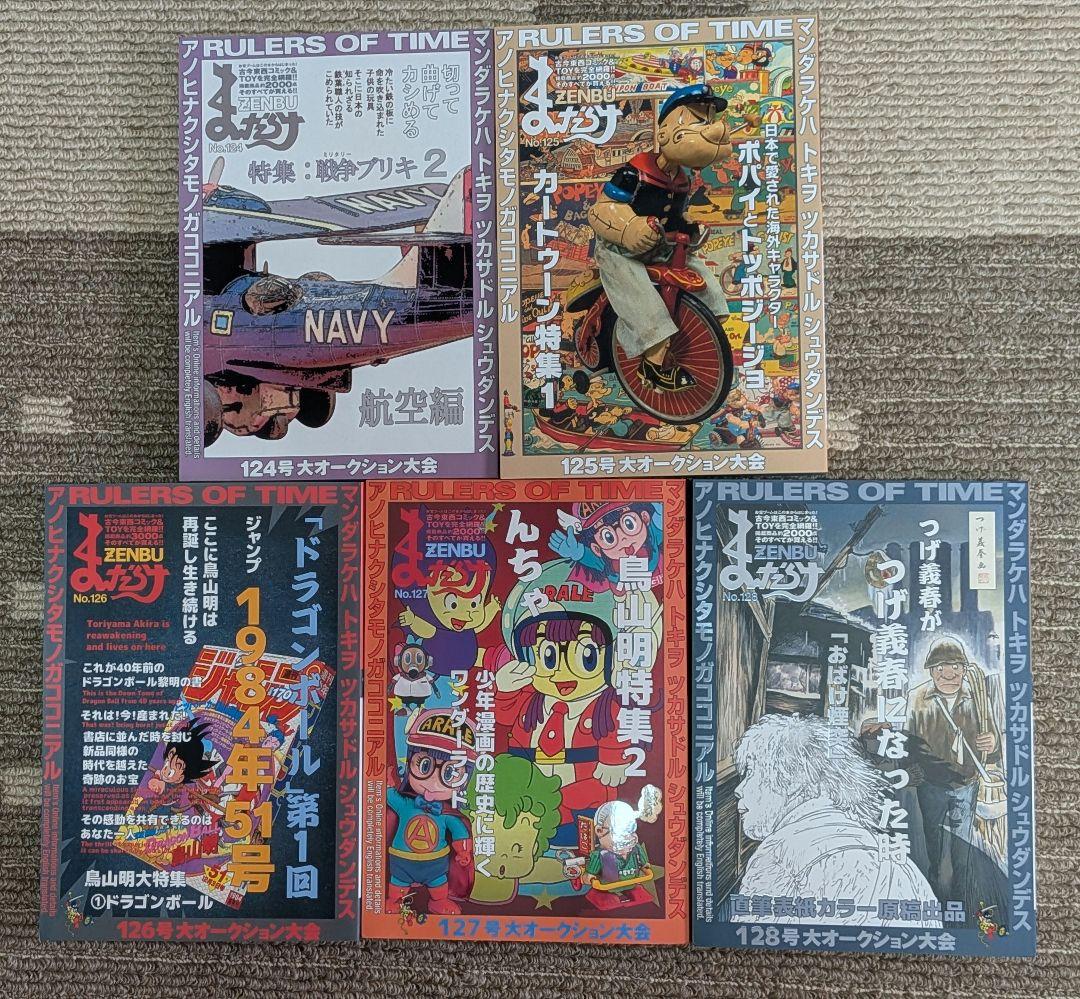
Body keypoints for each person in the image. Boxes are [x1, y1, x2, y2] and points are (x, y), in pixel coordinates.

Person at [730, 713, 940, 927]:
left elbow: (751, 940)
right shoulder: (900, 866)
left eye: (750, 773)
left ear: (792, 779)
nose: (739, 789)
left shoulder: (777, 858)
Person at [587, 84, 731, 393]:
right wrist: (628, 227)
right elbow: (601, 210)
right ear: (664, 132)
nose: (710, 128)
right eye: (698, 120)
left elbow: (675, 215)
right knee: (642, 300)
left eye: (708, 120)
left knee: (705, 282)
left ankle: (707, 337)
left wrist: (690, 228)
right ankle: (651, 366)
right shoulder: (634, 173)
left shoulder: (682, 179)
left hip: (662, 246)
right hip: (620, 251)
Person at [906, 638, 1002, 893]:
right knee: (933, 835)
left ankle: (962, 888)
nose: (948, 674)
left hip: (966, 783)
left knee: (962, 842)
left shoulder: (978, 698)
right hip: (931, 784)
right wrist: (911, 770)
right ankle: (934, 882)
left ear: (964, 669)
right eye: (940, 668)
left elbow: (994, 742)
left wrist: (992, 743)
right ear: (931, 671)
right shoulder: (917, 698)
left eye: (955, 667)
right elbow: (908, 740)